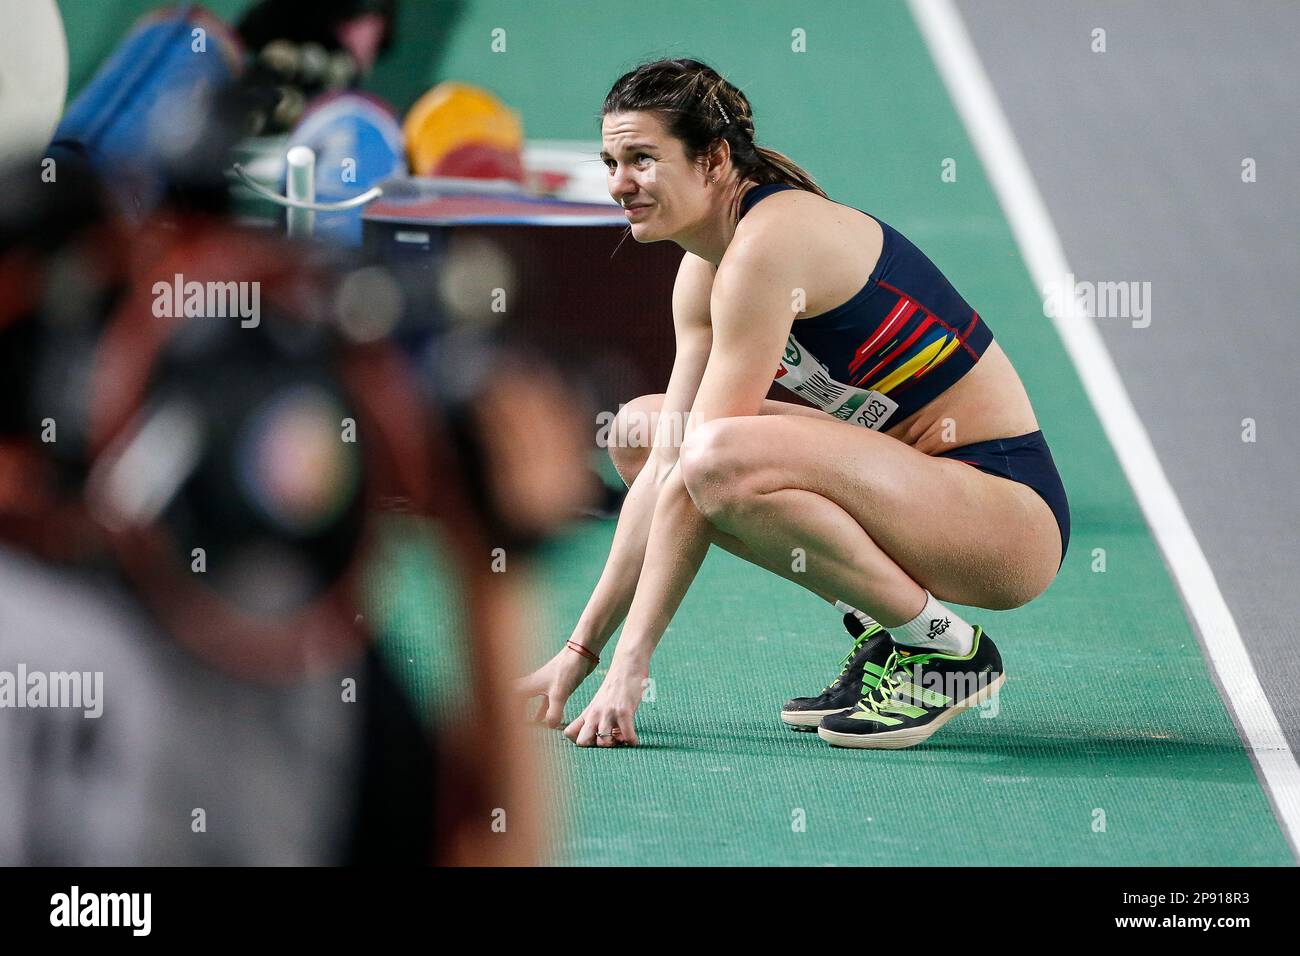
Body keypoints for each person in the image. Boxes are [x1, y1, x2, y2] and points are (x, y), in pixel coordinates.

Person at [515, 58, 1070, 750]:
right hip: (908, 491)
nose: (618, 183)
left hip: (1005, 519)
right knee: (639, 431)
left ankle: (944, 651)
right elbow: (665, 466)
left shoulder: (767, 246)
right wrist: (581, 649)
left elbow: (700, 470)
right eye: (610, 161)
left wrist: (631, 665)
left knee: (716, 455)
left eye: (642, 159)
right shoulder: (704, 269)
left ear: (713, 159)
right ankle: (894, 632)